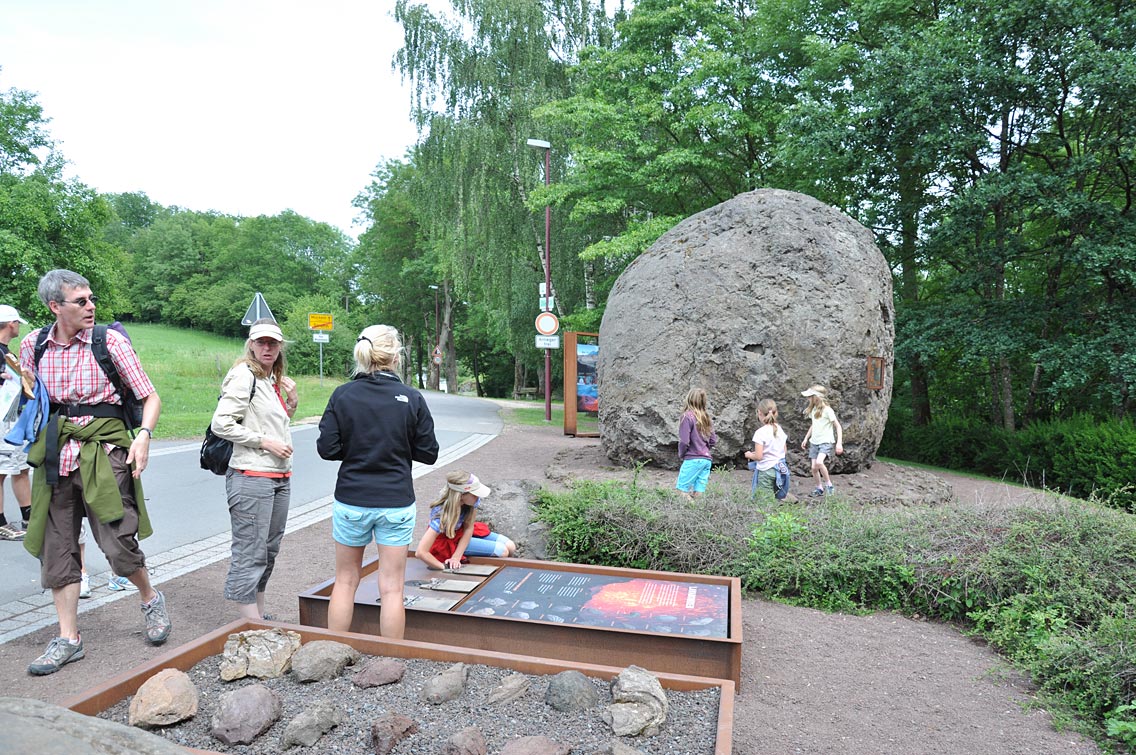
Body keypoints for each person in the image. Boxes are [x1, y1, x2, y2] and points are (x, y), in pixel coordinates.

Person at [18, 269, 169, 676]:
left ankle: (150, 598)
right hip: (56, 456)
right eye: (81, 301)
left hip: (105, 451)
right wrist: (27, 390)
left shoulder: (110, 342)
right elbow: (32, 398)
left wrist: (143, 436)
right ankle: (69, 638)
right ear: (55, 306)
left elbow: (149, 396)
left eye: (91, 299)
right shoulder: (33, 344)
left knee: (118, 544)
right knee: (57, 550)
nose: (91, 306)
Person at [317, 324, 438, 637]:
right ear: (395, 357)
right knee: (393, 587)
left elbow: (327, 449)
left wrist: (356, 447)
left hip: (351, 500)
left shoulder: (342, 395)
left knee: (345, 581)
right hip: (396, 501)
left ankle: (333, 650)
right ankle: (390, 656)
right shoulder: (411, 397)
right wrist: (399, 445)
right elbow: (429, 453)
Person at [209, 318, 297, 621]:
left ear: (280, 346)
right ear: (251, 344)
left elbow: (270, 423)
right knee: (251, 551)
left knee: (269, 550)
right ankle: (250, 624)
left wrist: (292, 403)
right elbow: (221, 424)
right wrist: (264, 442)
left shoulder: (269, 378)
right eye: (261, 342)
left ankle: (259, 616)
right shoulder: (243, 375)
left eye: (272, 342)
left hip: (278, 475)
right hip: (251, 476)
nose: (267, 348)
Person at [415, 471, 516, 570]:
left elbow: (469, 527)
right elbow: (421, 552)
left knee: (511, 546)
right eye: (474, 494)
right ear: (461, 495)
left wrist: (456, 556)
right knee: (502, 551)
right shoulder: (442, 516)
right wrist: (444, 566)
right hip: (448, 540)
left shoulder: (472, 501)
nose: (478, 497)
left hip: (462, 532)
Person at [0, 304, 31, 540]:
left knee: (20, 467)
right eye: (17, 323)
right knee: (1, 471)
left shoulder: (6, 352)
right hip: (1, 420)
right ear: (11, 324)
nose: (18, 326)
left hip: (13, 419)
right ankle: (0, 523)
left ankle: (29, 518)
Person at [800, 385, 843, 497]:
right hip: (814, 442)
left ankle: (829, 485)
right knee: (814, 468)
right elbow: (813, 425)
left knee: (819, 462)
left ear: (816, 397)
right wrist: (806, 438)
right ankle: (819, 487)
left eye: (810, 396)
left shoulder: (828, 410)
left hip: (826, 441)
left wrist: (839, 443)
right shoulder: (814, 409)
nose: (808, 398)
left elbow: (838, 426)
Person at [675, 387, 717, 499]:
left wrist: (682, 454)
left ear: (689, 399)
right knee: (699, 493)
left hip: (693, 458)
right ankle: (700, 510)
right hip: (706, 460)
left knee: (681, 491)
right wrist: (704, 448)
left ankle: (691, 507)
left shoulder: (686, 417)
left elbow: (684, 441)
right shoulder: (706, 417)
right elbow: (713, 440)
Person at [745, 398, 789, 498]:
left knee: (765, 501)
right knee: (776, 497)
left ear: (759, 412)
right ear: (776, 412)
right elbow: (784, 451)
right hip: (780, 469)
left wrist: (749, 455)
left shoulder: (760, 433)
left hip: (766, 470)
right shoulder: (779, 429)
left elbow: (759, 456)